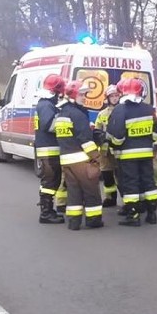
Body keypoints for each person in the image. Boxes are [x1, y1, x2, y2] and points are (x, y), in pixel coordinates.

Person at [107, 78, 157, 226]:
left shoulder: (120, 109)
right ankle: (152, 215)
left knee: (131, 184)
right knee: (149, 182)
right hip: (146, 153)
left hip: (128, 155)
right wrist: (148, 140)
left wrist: (115, 145)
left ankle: (133, 216)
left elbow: (118, 135)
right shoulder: (148, 108)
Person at [55, 80, 104, 231]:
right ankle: (93, 220)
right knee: (91, 191)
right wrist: (96, 157)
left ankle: (74, 222)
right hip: (82, 160)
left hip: (66, 160)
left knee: (74, 192)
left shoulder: (62, 114)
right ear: (74, 95)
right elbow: (85, 140)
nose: (85, 97)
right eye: (82, 94)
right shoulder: (78, 115)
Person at [35, 74, 66, 224]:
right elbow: (50, 125)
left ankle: (47, 210)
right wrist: (65, 121)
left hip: (47, 149)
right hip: (49, 150)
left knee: (50, 180)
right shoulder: (47, 106)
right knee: (51, 181)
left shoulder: (43, 104)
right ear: (56, 91)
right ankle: (46, 213)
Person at [94, 84, 121, 208]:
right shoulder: (102, 114)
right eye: (112, 96)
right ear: (107, 98)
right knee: (107, 175)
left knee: (122, 176)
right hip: (105, 152)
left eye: (117, 95)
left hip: (119, 149)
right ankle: (110, 198)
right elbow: (97, 129)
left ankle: (127, 201)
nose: (115, 98)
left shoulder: (123, 111)